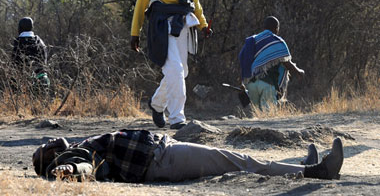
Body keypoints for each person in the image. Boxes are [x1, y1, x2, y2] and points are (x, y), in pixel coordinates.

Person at [32, 129, 344, 182]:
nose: (48, 141)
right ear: (49, 159)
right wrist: (71, 172)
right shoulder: (69, 156)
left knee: (237, 158)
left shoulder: (76, 146)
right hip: (161, 159)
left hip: (163, 150)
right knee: (236, 160)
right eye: (43, 147)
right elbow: (86, 167)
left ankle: (301, 167)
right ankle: (316, 173)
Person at [130, 0, 212, 129]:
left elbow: (194, 0)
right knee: (175, 70)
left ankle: (157, 103)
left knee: (182, 72)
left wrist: (203, 25)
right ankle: (177, 118)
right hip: (161, 25)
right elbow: (141, 4)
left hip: (181, 24)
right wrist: (135, 33)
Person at [238, 16, 305, 110]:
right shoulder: (277, 42)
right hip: (267, 86)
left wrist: (241, 82)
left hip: (251, 86)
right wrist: (299, 72)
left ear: (264, 27)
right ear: (276, 28)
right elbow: (287, 63)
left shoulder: (252, 41)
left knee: (257, 116)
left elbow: (243, 60)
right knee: (268, 115)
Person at [12, 17, 50, 95]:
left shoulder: (18, 43)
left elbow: (15, 64)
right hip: (42, 81)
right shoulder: (40, 41)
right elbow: (44, 61)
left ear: (20, 27)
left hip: (23, 83)